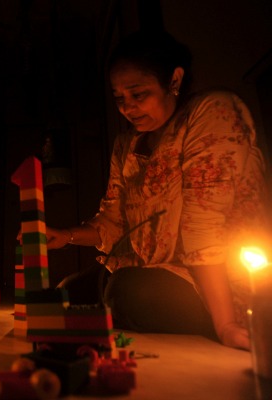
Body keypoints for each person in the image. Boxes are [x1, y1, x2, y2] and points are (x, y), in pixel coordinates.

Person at [45, 30, 270, 350]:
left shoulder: (211, 113)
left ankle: (216, 319)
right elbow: (113, 222)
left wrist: (227, 324)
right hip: (143, 269)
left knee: (129, 294)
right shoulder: (126, 145)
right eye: (119, 98)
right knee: (64, 295)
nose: (128, 108)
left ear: (174, 81)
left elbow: (203, 223)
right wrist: (65, 235)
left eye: (138, 94)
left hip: (207, 279)